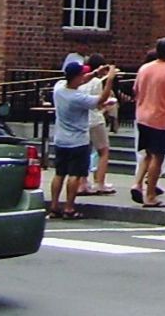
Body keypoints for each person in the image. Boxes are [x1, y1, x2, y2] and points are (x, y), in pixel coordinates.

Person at [48, 60, 114, 219]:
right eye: (81, 75)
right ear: (76, 77)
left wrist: (96, 73)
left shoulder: (58, 89)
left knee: (59, 174)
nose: (84, 77)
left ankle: (55, 206)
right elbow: (101, 99)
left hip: (60, 140)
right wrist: (110, 79)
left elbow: (81, 80)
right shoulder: (78, 97)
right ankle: (69, 208)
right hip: (78, 141)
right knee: (74, 175)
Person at [131, 38, 165, 208]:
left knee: (147, 153)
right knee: (158, 157)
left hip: (142, 116)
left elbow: (135, 90)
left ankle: (137, 183)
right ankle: (150, 194)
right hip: (159, 119)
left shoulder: (144, 68)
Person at [83, 51, 118, 196]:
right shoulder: (97, 82)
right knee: (103, 151)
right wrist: (108, 103)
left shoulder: (81, 81)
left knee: (85, 151)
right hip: (96, 119)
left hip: (83, 120)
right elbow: (99, 102)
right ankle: (100, 183)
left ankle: (83, 182)